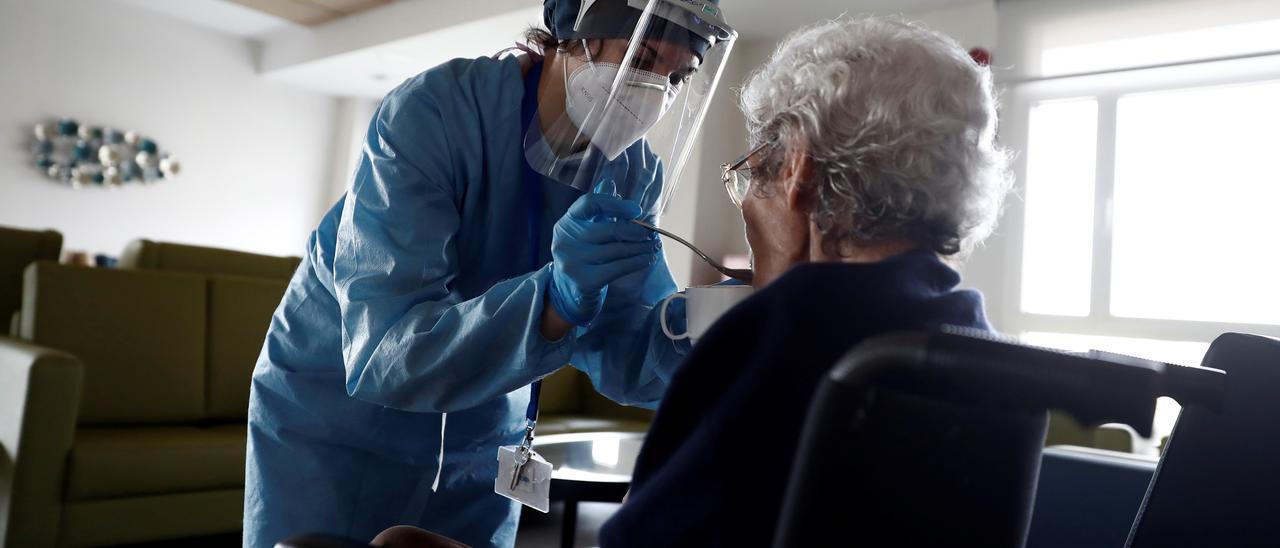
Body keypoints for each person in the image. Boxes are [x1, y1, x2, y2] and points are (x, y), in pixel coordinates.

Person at [242, 1, 737, 546]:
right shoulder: (437, 113)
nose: (654, 91)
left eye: (676, 76)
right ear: (576, 29)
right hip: (338, 420)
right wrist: (553, 302)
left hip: (486, 421)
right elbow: (383, 352)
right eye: (639, 58)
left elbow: (624, 350)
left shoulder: (632, 171)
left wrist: (717, 330)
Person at [597, 15, 1012, 546]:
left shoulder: (774, 343)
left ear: (797, 170)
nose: (748, 196)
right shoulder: (976, 343)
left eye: (752, 173)